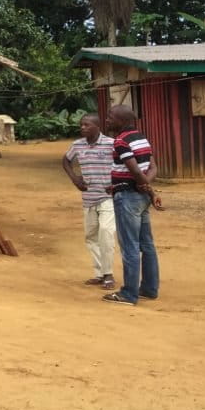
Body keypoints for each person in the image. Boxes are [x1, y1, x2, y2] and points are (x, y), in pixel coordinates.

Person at [102, 105, 160, 305]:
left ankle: (128, 294)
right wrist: (147, 189)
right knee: (147, 245)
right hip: (138, 196)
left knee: (130, 247)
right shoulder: (141, 137)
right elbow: (152, 167)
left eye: (111, 117)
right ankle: (149, 289)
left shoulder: (121, 141)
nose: (107, 120)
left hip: (128, 198)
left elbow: (135, 170)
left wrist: (143, 186)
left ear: (122, 120)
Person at [62, 114, 117, 290]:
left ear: (97, 127)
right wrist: (75, 178)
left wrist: (117, 183)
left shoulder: (111, 144)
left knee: (106, 233)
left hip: (108, 196)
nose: (83, 128)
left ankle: (108, 274)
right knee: (91, 237)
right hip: (88, 198)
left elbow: (123, 163)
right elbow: (65, 160)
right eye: (81, 125)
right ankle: (99, 273)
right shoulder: (77, 145)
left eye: (87, 125)